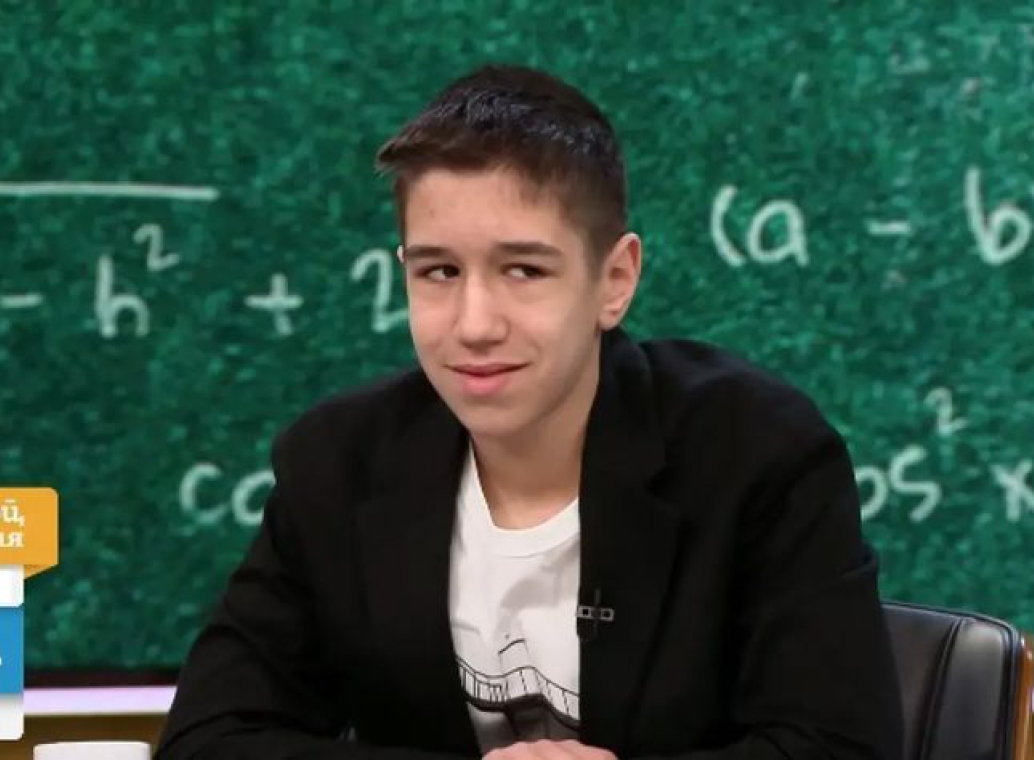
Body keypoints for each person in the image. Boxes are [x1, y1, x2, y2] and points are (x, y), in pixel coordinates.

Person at [156, 63, 903, 760]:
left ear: (615, 280)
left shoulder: (756, 452)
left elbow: (841, 748)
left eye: (523, 269)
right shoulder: (337, 463)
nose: (475, 323)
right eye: (439, 271)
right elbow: (210, 739)